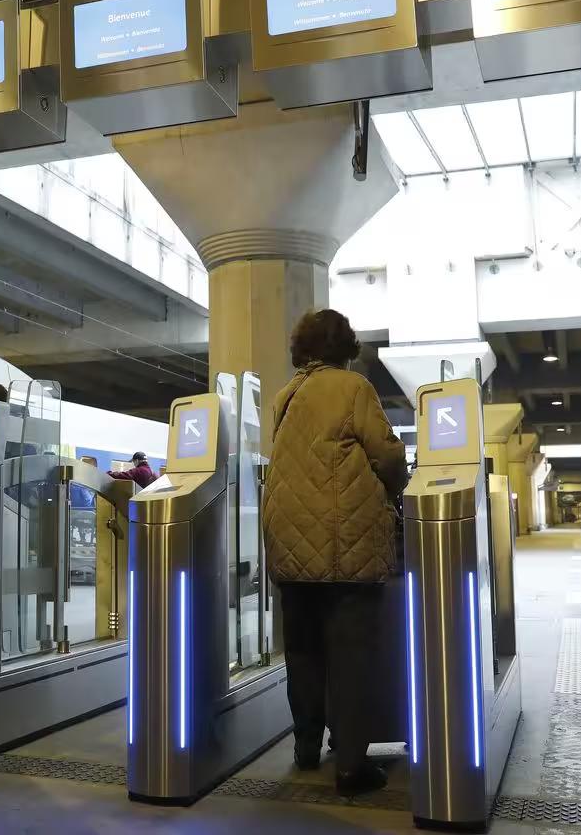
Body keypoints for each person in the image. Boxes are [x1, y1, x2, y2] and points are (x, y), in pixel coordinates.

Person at [262, 308, 408, 798]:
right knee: (350, 656)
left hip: (288, 543)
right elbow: (387, 455)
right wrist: (400, 488)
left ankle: (306, 750)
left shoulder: (286, 395)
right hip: (345, 547)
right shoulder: (353, 389)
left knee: (303, 651)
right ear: (345, 347)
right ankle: (350, 767)